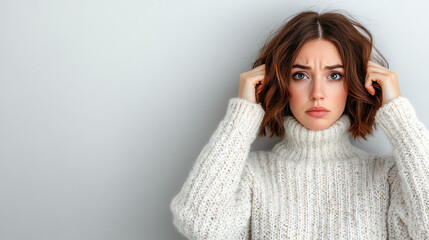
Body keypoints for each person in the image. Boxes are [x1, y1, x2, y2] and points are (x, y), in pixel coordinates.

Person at [170, 9, 429, 239]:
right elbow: (200, 225)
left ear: (355, 84)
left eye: (335, 75)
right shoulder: (251, 176)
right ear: (281, 82)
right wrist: (243, 114)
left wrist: (398, 115)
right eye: (301, 75)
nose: (317, 92)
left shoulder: (388, 177)